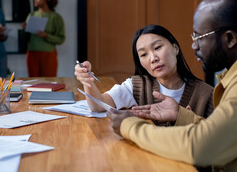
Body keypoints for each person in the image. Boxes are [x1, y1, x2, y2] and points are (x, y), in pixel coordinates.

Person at [107, 0, 237, 171]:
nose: (194, 46)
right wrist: (182, 115)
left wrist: (130, 126)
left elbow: (201, 147)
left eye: (199, 37)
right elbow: (225, 136)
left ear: (230, 39)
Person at [75, 24, 213, 123]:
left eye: (158, 47)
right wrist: (87, 81)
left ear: (175, 48)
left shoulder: (206, 94)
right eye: (144, 54)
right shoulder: (137, 86)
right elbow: (98, 106)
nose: (153, 58)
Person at [22, 0, 65, 77]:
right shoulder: (32, 15)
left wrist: (46, 36)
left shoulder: (56, 17)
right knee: (34, 83)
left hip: (48, 54)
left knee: (49, 82)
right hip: (32, 54)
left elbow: (61, 39)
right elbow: (25, 38)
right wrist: (24, 29)